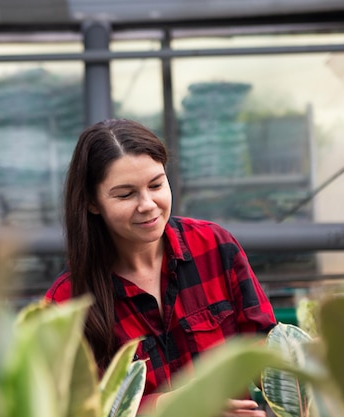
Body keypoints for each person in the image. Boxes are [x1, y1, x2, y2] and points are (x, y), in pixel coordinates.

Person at [44, 118, 276, 416]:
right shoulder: (67, 304)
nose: (148, 204)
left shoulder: (214, 246)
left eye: (156, 184)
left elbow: (264, 349)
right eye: (126, 194)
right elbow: (72, 409)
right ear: (92, 202)